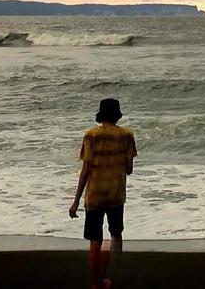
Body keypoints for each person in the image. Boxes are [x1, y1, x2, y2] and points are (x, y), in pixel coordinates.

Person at [69, 97, 137, 289]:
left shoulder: (90, 135)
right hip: (115, 195)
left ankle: (94, 284)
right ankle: (110, 275)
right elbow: (129, 170)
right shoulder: (126, 135)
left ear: (100, 114)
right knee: (115, 234)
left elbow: (85, 171)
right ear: (117, 115)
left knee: (94, 240)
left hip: (95, 195)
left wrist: (75, 201)